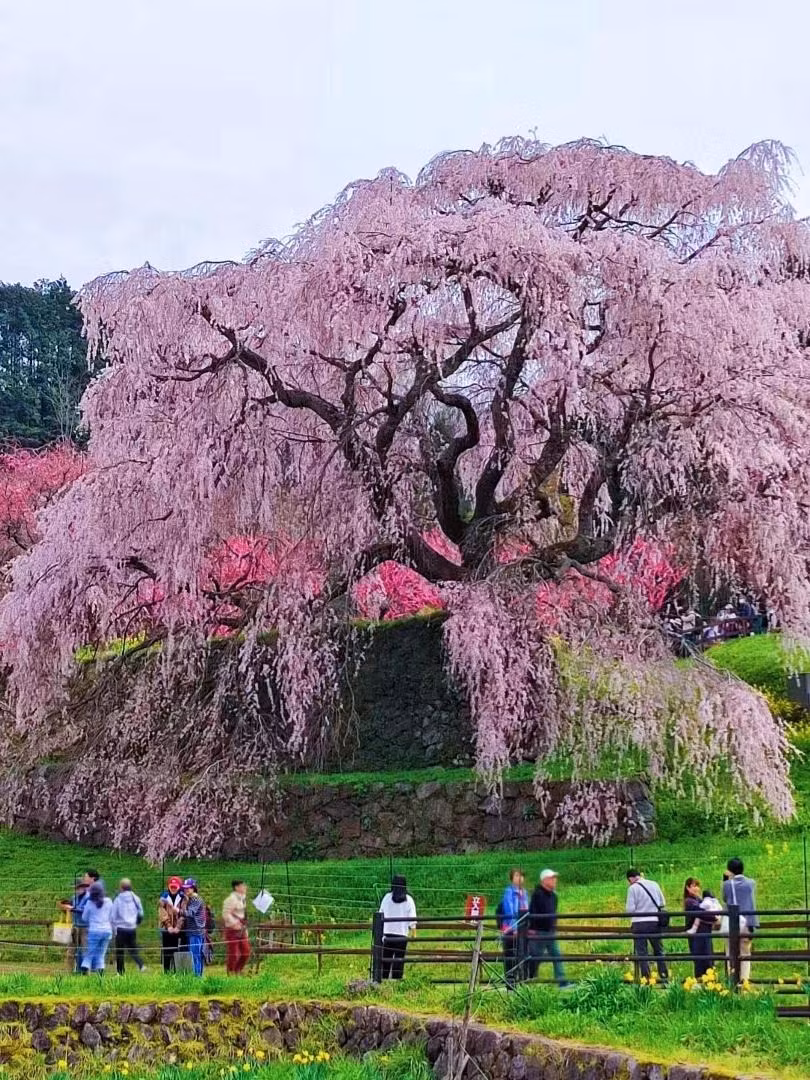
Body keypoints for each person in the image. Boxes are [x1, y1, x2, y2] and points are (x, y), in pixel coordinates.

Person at [625, 869, 668, 983]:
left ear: (630, 879)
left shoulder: (632, 888)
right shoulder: (654, 884)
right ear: (640, 875)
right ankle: (664, 976)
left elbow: (630, 909)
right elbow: (662, 903)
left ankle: (647, 978)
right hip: (654, 922)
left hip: (639, 924)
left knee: (642, 953)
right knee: (659, 950)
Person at [527, 869, 568, 987]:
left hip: (549, 931)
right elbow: (532, 912)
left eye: (555, 878)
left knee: (556, 955)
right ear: (544, 880)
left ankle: (562, 981)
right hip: (539, 932)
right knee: (535, 958)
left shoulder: (554, 896)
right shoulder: (537, 894)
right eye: (552, 878)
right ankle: (528, 979)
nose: (554, 880)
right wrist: (532, 928)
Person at [722, 858, 759, 983]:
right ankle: (745, 981)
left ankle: (732, 981)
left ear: (729, 870)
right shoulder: (751, 883)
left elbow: (725, 898)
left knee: (730, 952)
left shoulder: (727, 884)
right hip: (747, 922)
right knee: (745, 953)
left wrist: (725, 878)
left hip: (732, 923)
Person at [60, 868, 100, 974]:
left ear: (83, 887)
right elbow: (71, 909)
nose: (76, 890)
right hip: (74, 926)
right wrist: (64, 907)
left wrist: (71, 908)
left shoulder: (89, 897)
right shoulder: (74, 897)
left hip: (85, 927)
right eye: (75, 888)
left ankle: (87, 973)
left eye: (78, 887)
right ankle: (69, 973)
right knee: (70, 951)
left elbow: (85, 910)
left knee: (85, 951)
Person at [378, 875, 417, 980]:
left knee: (386, 960)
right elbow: (412, 918)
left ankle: (384, 980)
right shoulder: (408, 900)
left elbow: (380, 914)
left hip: (387, 935)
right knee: (399, 960)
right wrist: (413, 933)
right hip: (401, 935)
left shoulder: (387, 897)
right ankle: (397, 980)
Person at [498, 868, 529, 988]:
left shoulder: (524, 893)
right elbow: (509, 910)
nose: (519, 878)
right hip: (510, 929)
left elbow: (527, 910)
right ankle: (510, 983)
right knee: (510, 955)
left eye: (521, 876)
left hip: (522, 929)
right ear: (512, 878)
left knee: (521, 955)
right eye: (516, 875)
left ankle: (520, 980)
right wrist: (515, 928)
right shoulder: (508, 892)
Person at [111, 878, 145, 975]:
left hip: (121, 928)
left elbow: (113, 916)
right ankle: (141, 964)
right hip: (132, 928)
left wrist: (114, 928)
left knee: (119, 951)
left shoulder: (118, 899)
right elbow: (141, 913)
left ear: (121, 887)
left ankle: (120, 972)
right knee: (132, 948)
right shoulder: (136, 898)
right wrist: (136, 923)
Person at [683, 878, 715, 978]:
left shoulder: (699, 900)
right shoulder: (689, 901)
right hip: (697, 936)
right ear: (688, 888)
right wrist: (714, 916)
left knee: (708, 959)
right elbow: (701, 913)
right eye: (693, 886)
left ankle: (709, 982)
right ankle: (701, 982)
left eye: (697, 886)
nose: (696, 888)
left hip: (704, 933)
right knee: (701, 960)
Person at [81, 882, 113, 976]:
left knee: (90, 952)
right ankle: (100, 973)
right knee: (101, 953)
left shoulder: (89, 903)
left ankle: (85, 967)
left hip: (94, 930)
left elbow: (84, 918)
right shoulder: (109, 901)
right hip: (107, 930)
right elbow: (112, 915)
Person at [223, 880, 251, 975]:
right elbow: (226, 914)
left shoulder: (242, 899)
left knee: (246, 951)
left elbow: (243, 915)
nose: (245, 888)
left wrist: (244, 928)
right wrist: (234, 923)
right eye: (243, 886)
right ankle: (231, 971)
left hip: (242, 928)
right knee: (233, 953)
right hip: (232, 930)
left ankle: (238, 970)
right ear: (237, 887)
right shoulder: (231, 899)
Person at [181, 878, 207, 976]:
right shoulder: (190, 899)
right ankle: (197, 976)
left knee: (195, 955)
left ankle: (197, 978)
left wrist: (178, 911)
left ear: (193, 888)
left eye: (189, 888)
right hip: (191, 932)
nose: (186, 890)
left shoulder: (196, 899)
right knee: (194, 955)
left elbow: (190, 913)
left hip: (196, 932)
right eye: (185, 888)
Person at [158, 876, 185, 973]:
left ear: (179, 887)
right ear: (169, 886)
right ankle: (166, 973)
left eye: (175, 887)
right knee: (167, 951)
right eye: (171, 886)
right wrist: (168, 926)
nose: (173, 888)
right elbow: (162, 912)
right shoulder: (163, 898)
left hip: (179, 930)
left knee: (177, 951)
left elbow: (183, 914)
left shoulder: (183, 898)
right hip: (167, 930)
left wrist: (178, 927)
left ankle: (176, 972)